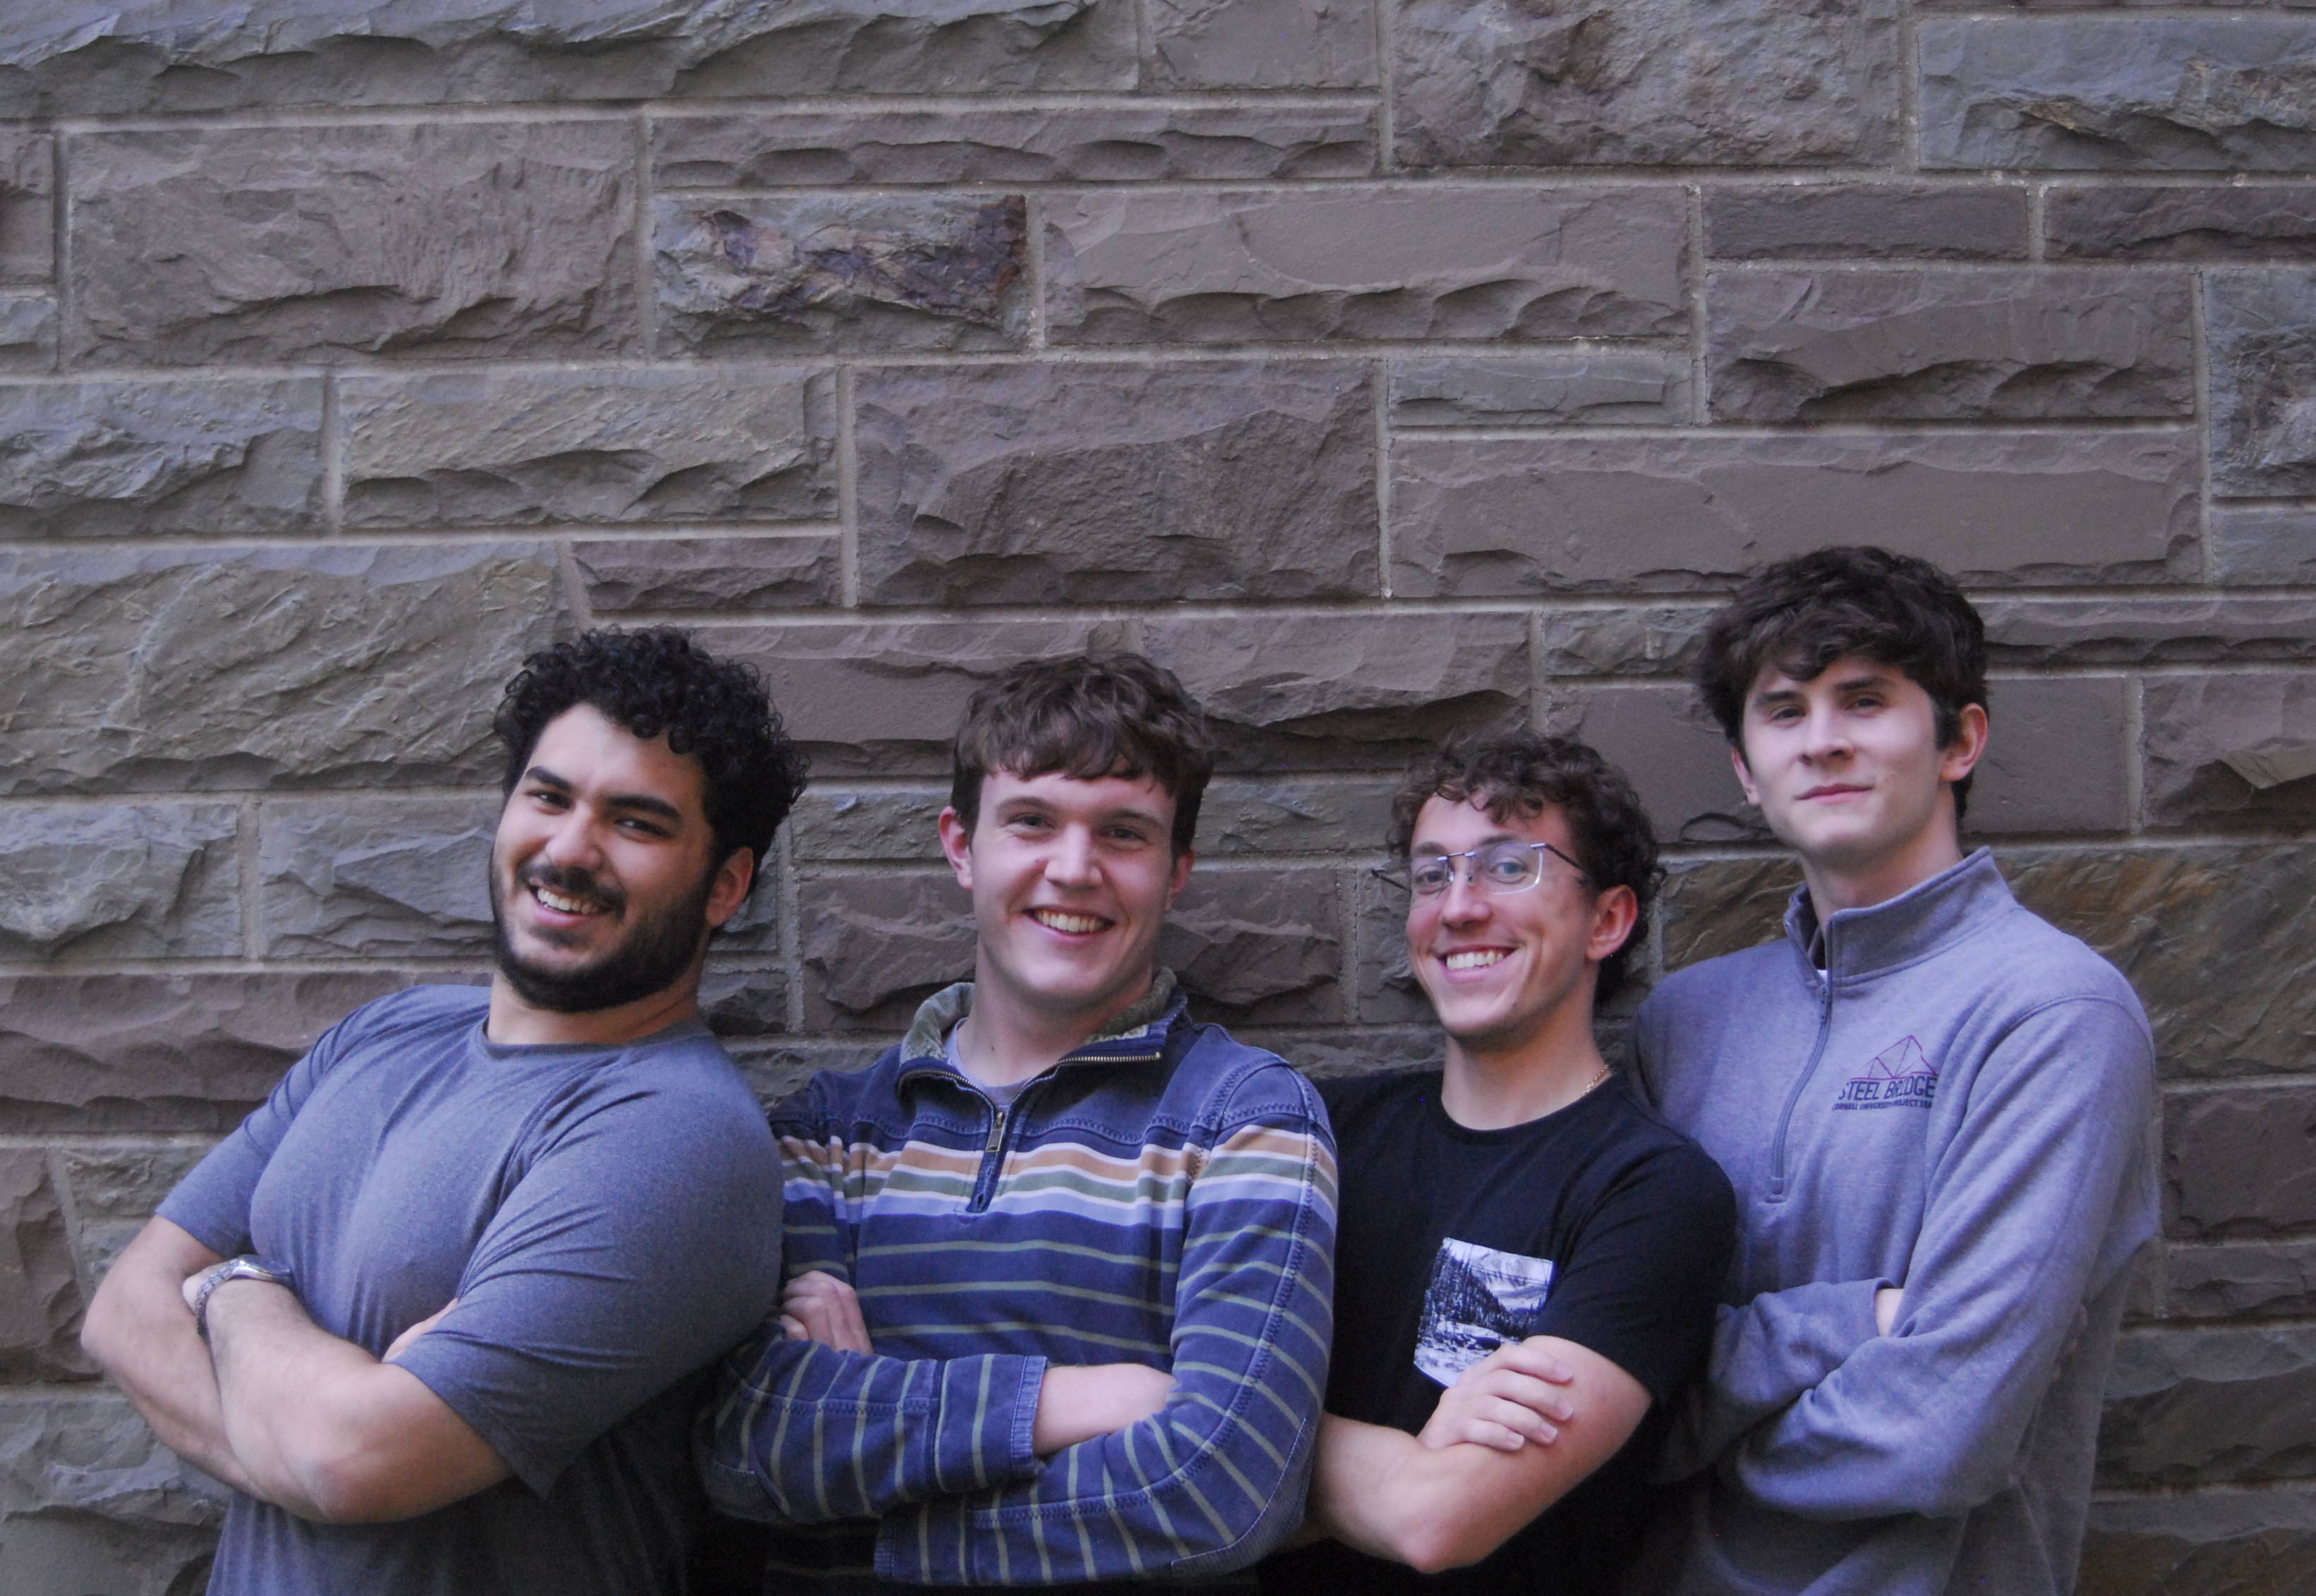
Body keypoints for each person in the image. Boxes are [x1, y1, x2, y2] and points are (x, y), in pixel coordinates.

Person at [80, 627, 809, 1595]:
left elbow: (355, 1461)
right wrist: (309, 1440)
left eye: (636, 823)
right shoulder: (389, 1031)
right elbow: (121, 1311)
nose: (569, 849)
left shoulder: (674, 1138)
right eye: (547, 797)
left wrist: (229, 1287)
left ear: (724, 886)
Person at [699, 652, 1335, 1591]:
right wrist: (1065, 1403)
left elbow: (1223, 1488)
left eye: (1123, 833)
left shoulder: (1244, 1118)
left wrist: (879, 1509)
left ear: (1176, 871)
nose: (1072, 870)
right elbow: (744, 1445)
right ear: (961, 846)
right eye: (1032, 820)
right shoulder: (826, 1133)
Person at [1621, 546, 2159, 1595]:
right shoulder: (1684, 1022)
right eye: (1784, 711)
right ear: (1745, 769)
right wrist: (1847, 1322)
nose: (1823, 740)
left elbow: (1938, 1435)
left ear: (1960, 739)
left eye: (1864, 700)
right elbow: (1629, 1363)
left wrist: (1677, 1455)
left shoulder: (2051, 1013)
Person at [1260, 733, 1734, 1596]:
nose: (1459, 907)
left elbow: (1440, 1520)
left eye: (1508, 868)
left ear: (1608, 920)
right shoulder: (1314, 1134)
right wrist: (1405, 1462)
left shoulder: (1653, 1193)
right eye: (1431, 874)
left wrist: (1235, 1431)